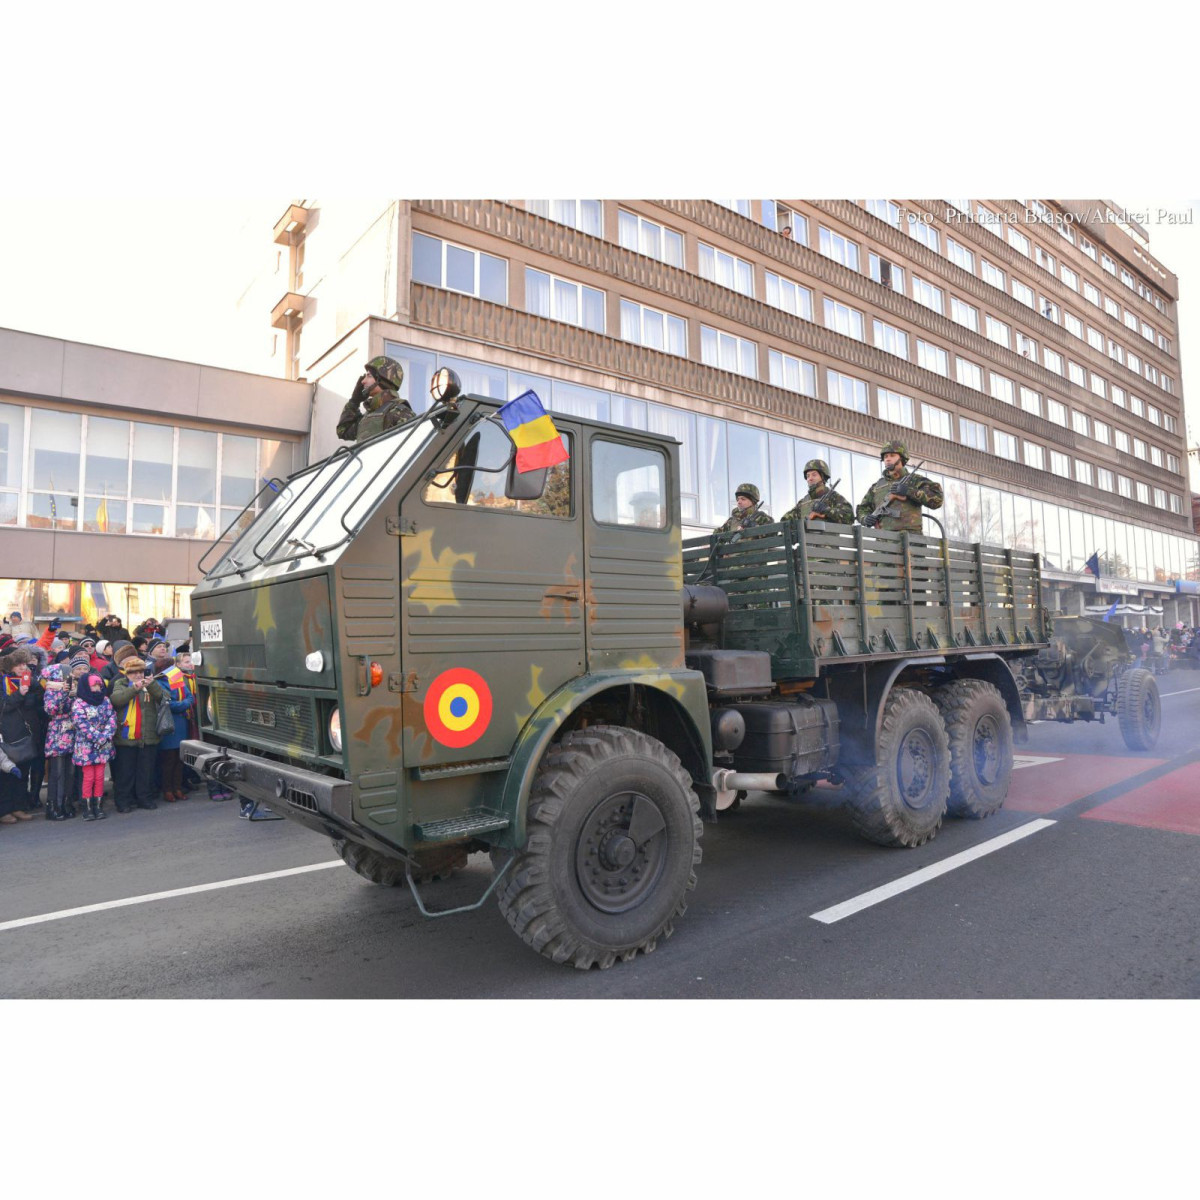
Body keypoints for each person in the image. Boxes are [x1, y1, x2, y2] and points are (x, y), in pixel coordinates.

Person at [110, 656, 168, 813]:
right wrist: (134, 688)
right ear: (127, 673)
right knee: (125, 772)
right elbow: (116, 700)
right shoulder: (120, 683)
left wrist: (152, 684)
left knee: (146, 771)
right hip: (126, 736)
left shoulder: (151, 683)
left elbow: (164, 698)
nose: (138, 675)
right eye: (133, 672)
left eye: (141, 672)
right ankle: (123, 801)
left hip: (148, 735)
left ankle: (144, 798)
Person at [857, 440, 943, 533]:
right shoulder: (877, 486)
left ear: (902, 458)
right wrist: (865, 518)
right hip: (883, 539)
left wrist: (909, 491)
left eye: (892, 455)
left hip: (911, 538)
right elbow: (862, 509)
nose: (888, 459)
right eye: (885, 456)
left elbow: (937, 499)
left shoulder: (915, 480)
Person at [42, 653, 87, 820]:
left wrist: (75, 693)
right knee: (57, 772)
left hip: (73, 732)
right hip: (58, 733)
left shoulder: (76, 688)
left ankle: (67, 803)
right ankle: (54, 805)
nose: (70, 678)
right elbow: (52, 710)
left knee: (70, 771)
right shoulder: (51, 690)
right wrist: (63, 693)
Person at [0, 645, 40, 822]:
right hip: (8, 732)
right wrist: (20, 694)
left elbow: (39, 697)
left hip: (26, 731)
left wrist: (30, 692)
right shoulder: (3, 681)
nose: (23, 667)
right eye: (19, 665)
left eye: (24, 664)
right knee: (7, 773)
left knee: (23, 772)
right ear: (11, 666)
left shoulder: (29, 679)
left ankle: (19, 806)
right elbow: (4, 705)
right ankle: (5, 810)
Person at [336, 356, 414, 443]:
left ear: (382, 380)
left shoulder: (400, 412)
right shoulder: (367, 416)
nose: (363, 381)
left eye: (369, 376)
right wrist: (354, 401)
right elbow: (343, 430)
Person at [71, 673, 116, 821]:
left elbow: (112, 718)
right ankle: (87, 807)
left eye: (99, 685)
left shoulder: (105, 700)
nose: (97, 688)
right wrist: (98, 737)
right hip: (86, 746)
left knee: (100, 776)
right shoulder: (79, 703)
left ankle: (98, 805)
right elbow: (81, 723)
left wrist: (106, 735)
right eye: (94, 685)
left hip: (103, 745)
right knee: (89, 777)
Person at [154, 652, 194, 802]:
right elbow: (168, 704)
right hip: (169, 724)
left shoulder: (177, 679)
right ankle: (167, 790)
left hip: (181, 723)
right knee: (168, 760)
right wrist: (184, 704)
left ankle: (177, 788)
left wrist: (183, 703)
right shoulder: (160, 683)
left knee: (180, 758)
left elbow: (190, 696)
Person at [782, 459, 854, 526]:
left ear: (823, 477)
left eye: (814, 475)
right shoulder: (803, 502)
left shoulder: (834, 497)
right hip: (805, 536)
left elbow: (849, 517)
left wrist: (826, 510)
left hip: (826, 536)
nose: (810, 478)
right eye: (808, 476)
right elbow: (784, 521)